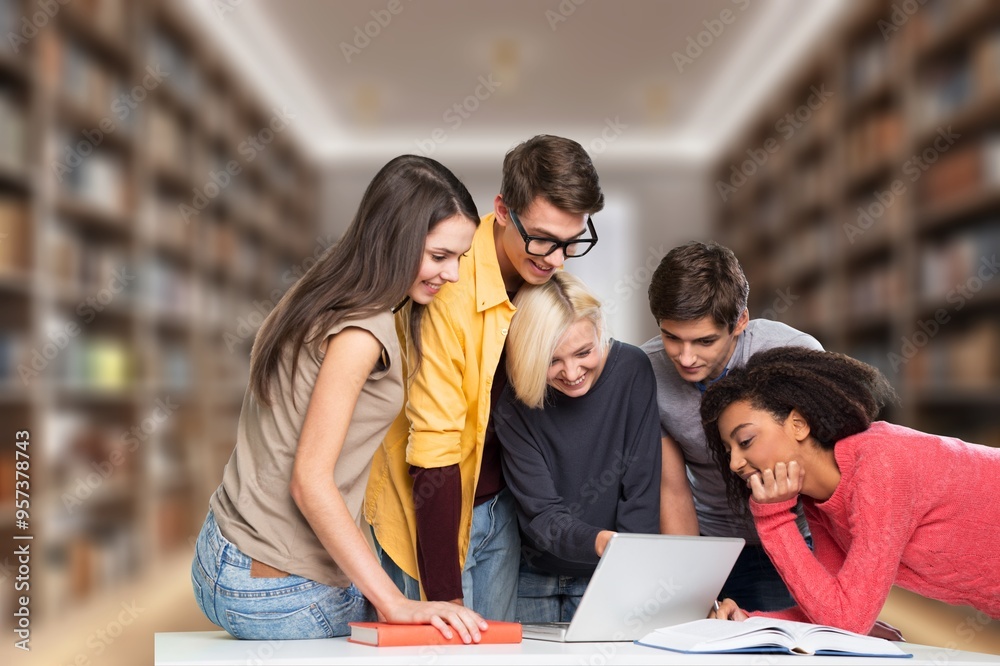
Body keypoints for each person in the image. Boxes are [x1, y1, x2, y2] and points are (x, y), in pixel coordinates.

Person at [190, 155, 488, 642]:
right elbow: (309, 481)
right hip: (278, 589)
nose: (452, 274)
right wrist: (394, 603)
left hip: (220, 554)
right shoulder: (363, 331)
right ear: (394, 240)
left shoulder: (318, 290)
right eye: (438, 256)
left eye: (460, 257)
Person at [365, 135, 604, 621]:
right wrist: (444, 598)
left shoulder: (544, 276)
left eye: (570, 242)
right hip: (429, 510)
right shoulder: (447, 288)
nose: (555, 260)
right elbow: (434, 447)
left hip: (500, 508)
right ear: (501, 209)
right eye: (541, 238)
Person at [702, 346, 1000, 634]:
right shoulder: (819, 500)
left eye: (746, 441)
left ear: (798, 424)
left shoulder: (880, 464)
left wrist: (772, 519)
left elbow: (847, 620)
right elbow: (831, 607)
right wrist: (749, 620)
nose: (735, 464)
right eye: (729, 452)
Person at [639, 241, 822, 612]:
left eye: (704, 341)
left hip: (795, 537)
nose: (685, 358)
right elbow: (672, 489)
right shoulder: (647, 372)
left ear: (740, 321)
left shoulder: (795, 356)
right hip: (710, 545)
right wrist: (694, 586)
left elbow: (837, 469)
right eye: (672, 337)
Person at [492, 271, 661, 623]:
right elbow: (541, 513)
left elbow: (641, 493)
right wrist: (602, 542)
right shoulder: (513, 401)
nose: (571, 372)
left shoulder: (632, 371)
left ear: (600, 329)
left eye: (584, 352)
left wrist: (626, 566)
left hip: (609, 575)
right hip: (530, 578)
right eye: (552, 360)